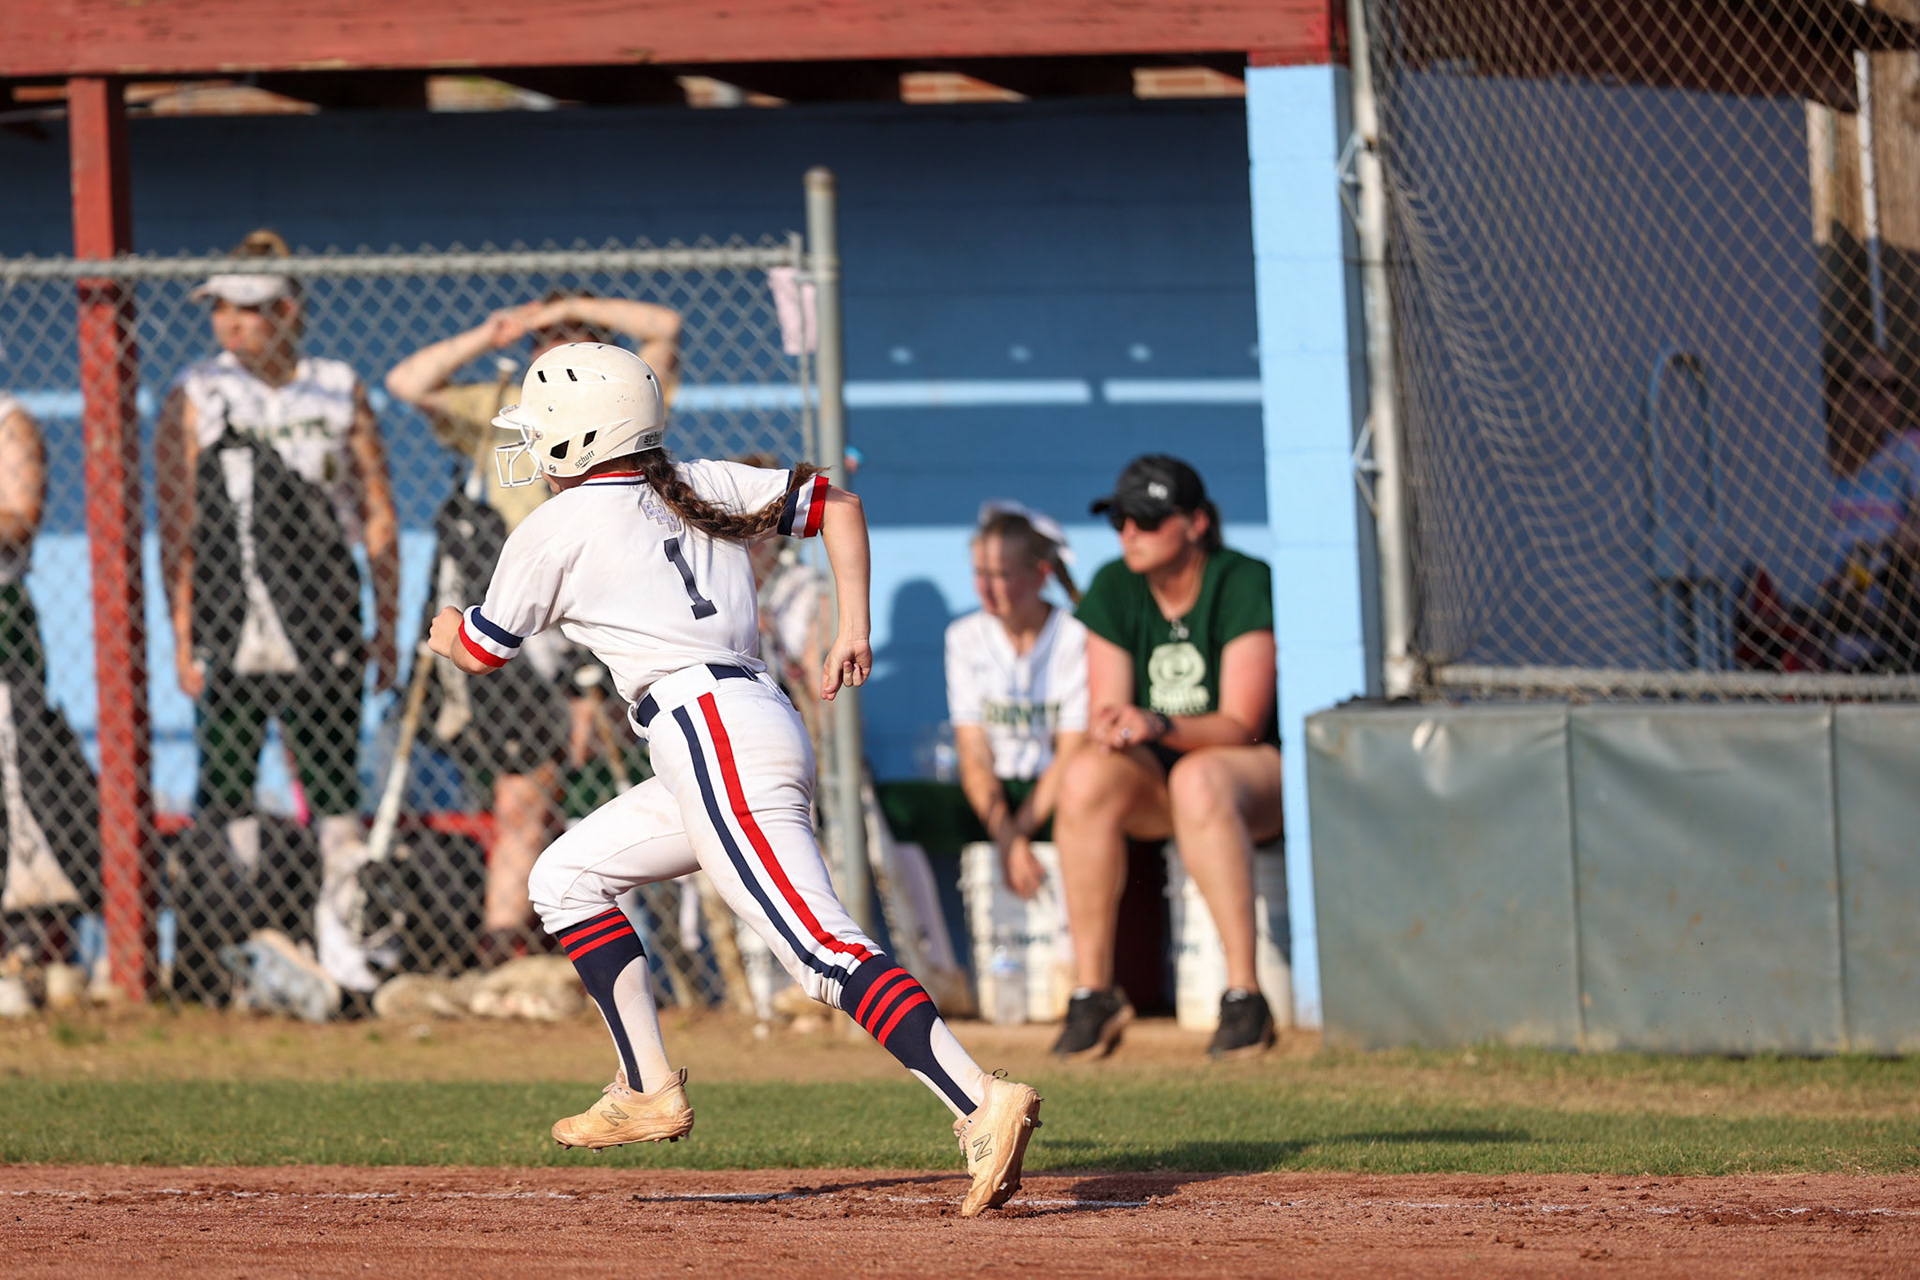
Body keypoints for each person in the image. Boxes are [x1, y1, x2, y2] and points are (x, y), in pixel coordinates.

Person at [425, 342, 1042, 1217]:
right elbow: (838, 503)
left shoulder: (554, 527)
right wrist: (851, 627)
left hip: (707, 731)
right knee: (564, 878)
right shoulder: (700, 479)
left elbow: (482, 652)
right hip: (742, 723)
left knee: (819, 952)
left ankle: (980, 1101)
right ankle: (645, 1086)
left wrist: (448, 629)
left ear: (580, 435)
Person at [386, 293, 683, 962]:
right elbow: (407, 383)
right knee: (526, 787)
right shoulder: (504, 408)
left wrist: (577, 305)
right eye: (544, 344)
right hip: (522, 610)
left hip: (605, 607)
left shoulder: (623, 413)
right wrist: (494, 332)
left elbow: (665, 328)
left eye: (575, 342)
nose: (556, 353)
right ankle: (510, 943)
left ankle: (606, 943)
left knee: (602, 779)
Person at [155, 228, 401, 999]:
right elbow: (178, 521)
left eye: (250, 309)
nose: (231, 324)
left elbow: (376, 511)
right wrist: (184, 634)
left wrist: (385, 621)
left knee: (331, 791)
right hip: (233, 620)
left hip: (320, 616)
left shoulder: (335, 385)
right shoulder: (199, 390)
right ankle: (216, 953)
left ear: (287, 311)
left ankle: (346, 957)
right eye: (221, 308)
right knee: (223, 785)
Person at [1052, 454, 1283, 1059]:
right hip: (1166, 780)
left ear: (1197, 523)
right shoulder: (1113, 585)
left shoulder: (1241, 578)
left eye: (1149, 519)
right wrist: (1117, 727)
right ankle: (1094, 993)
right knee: (1083, 778)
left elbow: (1242, 723)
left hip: (1252, 776)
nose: (1130, 532)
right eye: (1121, 519)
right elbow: (1107, 714)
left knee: (1201, 777)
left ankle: (1245, 996)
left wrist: (1155, 722)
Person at [945, 501, 1087, 898]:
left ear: (1040, 575)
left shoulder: (1075, 636)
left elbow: (1073, 748)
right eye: (980, 573)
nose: (987, 587)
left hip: (1058, 790)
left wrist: (1017, 836)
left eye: (1002, 575)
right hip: (998, 796)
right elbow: (972, 748)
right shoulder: (964, 637)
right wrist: (1007, 837)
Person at [1821, 349, 1920, 672]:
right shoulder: (1808, 460)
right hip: (1823, 606)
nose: (1886, 398)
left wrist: (1897, 542)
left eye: (1893, 387)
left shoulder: (1907, 452)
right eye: (1871, 387)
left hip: (1888, 601)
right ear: (1835, 394)